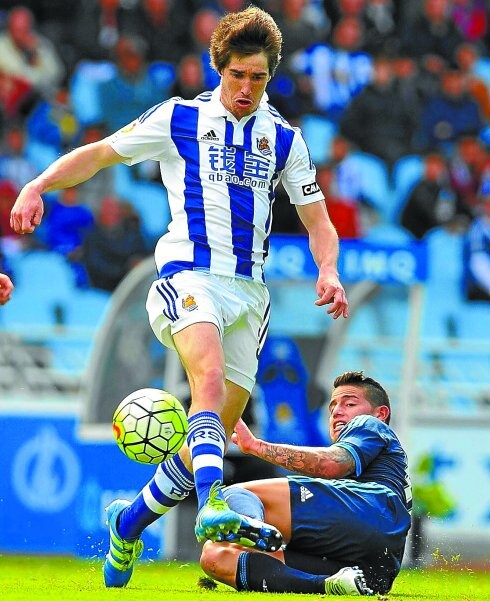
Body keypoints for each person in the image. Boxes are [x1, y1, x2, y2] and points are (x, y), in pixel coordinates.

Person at [10, 6, 348, 589]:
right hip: (187, 274)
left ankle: (129, 520)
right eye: (238, 74)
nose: (246, 88)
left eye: (258, 77)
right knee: (207, 386)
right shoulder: (178, 119)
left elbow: (317, 218)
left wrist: (329, 270)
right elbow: (99, 154)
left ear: (270, 76)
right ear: (218, 67)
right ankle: (213, 504)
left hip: (250, 293)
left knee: (209, 430)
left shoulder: (287, 139)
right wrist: (39, 184)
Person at [199, 371, 412, 596]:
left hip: (371, 509)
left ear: (381, 413)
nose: (337, 411)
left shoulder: (370, 425)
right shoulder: (375, 457)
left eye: (349, 403)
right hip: (376, 570)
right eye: (332, 408)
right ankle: (330, 584)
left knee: (234, 495)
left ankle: (253, 529)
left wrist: (256, 447)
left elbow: (330, 464)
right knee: (215, 557)